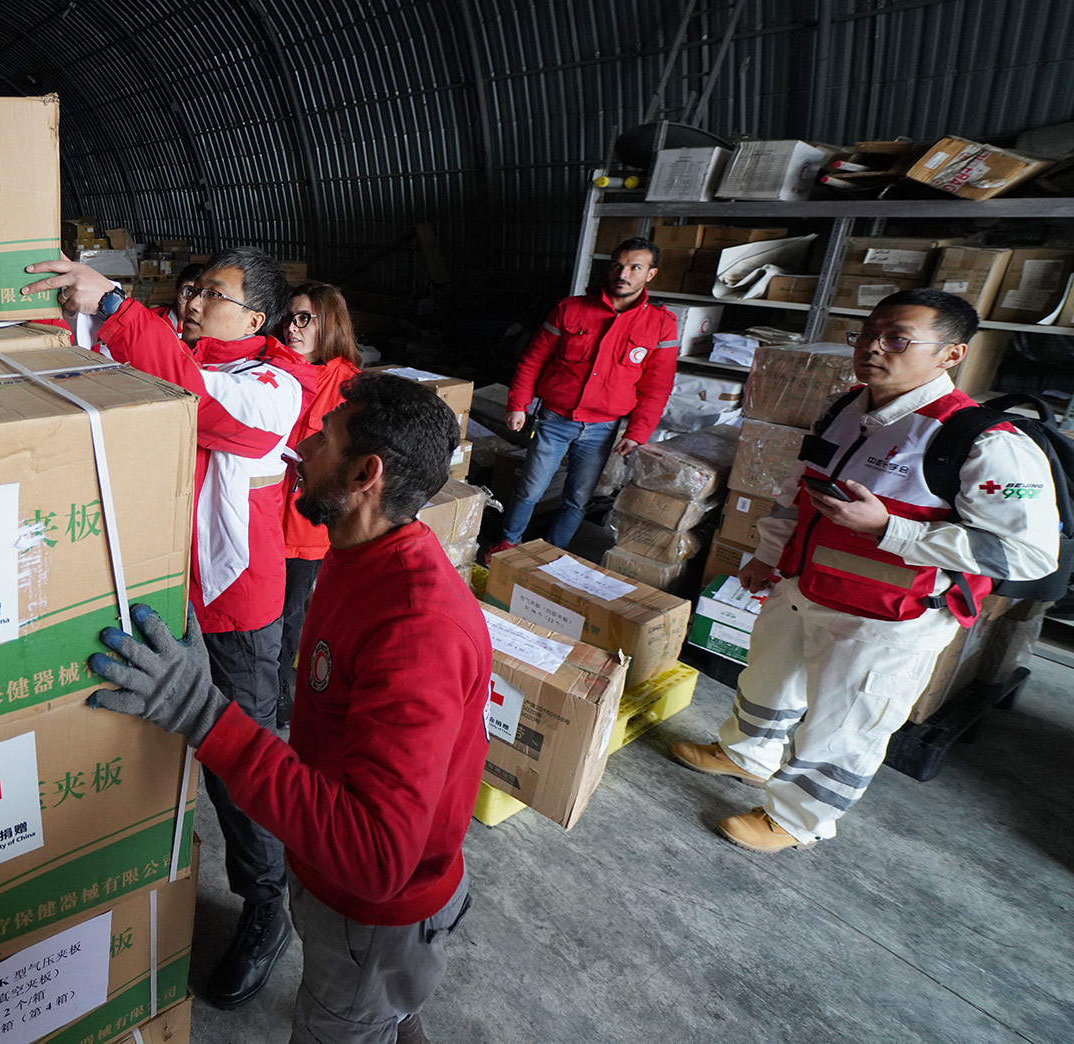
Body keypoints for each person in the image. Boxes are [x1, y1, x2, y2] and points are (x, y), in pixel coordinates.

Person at [86, 372, 490, 1044]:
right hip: (344, 901)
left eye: (323, 437)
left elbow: (374, 854)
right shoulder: (358, 554)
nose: (298, 446)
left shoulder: (417, 628)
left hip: (374, 917)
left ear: (366, 473)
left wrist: (204, 715)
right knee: (389, 1009)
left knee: (355, 1017)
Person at [24, 247, 317, 1009]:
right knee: (149, 742)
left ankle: (265, 906)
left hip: (234, 611)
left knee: (238, 766)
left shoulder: (275, 386)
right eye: (191, 291)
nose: (191, 303)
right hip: (162, 592)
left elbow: (200, 404)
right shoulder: (176, 354)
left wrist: (117, 308)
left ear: (257, 317)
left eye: (212, 295)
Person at [670, 289, 1059, 853]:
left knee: (843, 725)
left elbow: (1026, 554)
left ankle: (800, 819)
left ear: (950, 355)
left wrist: (888, 529)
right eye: (868, 334)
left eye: (897, 339)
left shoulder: (984, 441)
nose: (873, 348)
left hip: (886, 617)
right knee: (765, 683)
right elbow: (798, 494)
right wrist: (765, 554)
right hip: (803, 585)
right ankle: (744, 756)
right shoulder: (847, 408)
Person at [487, 237, 678, 557]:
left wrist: (637, 433)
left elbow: (657, 388)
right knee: (530, 489)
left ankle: (554, 552)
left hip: (603, 429)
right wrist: (518, 404)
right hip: (554, 419)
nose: (624, 273)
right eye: (618, 265)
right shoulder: (570, 310)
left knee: (577, 498)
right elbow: (532, 360)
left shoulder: (660, 326)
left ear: (650, 274)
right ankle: (509, 543)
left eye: (635, 267)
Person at [276, 280, 364, 729]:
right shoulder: (274, 366)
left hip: (304, 524)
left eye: (304, 318)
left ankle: (277, 697)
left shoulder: (350, 387)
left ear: (329, 324)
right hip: (266, 514)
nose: (293, 327)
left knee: (289, 614)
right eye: (290, 317)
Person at [154, 262, 207, 335]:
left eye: (203, 296)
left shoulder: (218, 330)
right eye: (188, 293)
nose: (192, 304)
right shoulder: (151, 320)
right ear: (176, 292)